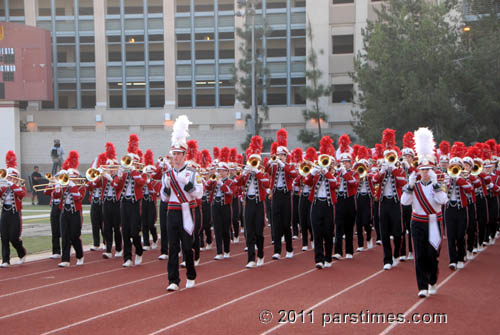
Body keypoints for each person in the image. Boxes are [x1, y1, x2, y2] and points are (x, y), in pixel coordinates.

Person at [401, 127, 448, 298]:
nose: (425, 172)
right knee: (420, 255)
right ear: (419, 171)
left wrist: (436, 186)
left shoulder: (438, 184)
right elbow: (404, 202)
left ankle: (433, 280)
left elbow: (443, 201)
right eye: (423, 169)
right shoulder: (415, 186)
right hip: (417, 222)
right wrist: (410, 186)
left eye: (428, 169)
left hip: (434, 222)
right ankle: (422, 286)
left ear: (432, 170)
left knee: (432, 255)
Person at [164, 115, 203, 291]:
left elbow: (199, 193)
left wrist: (187, 186)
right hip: (172, 211)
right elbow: (164, 198)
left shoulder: (192, 173)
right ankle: (173, 280)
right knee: (172, 247)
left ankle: (191, 274)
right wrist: (165, 189)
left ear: (184, 155)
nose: (177, 157)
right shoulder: (168, 174)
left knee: (187, 246)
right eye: (174, 154)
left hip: (187, 211)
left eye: (179, 154)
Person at [113, 134, 146, 268]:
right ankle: (127, 257)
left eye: (132, 161)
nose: (129, 163)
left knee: (134, 231)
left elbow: (141, 183)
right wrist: (119, 176)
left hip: (135, 203)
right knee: (125, 231)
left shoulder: (140, 172)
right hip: (124, 203)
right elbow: (115, 187)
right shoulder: (124, 172)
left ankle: (139, 250)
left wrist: (133, 171)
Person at [236, 136, 270, 268]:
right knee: (248, 231)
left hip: (259, 204)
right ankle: (251, 258)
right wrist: (244, 172)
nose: (252, 163)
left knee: (258, 232)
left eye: (255, 161)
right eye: (251, 161)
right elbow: (237, 183)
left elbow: (267, 184)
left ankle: (260, 254)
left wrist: (257, 172)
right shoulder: (247, 173)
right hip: (248, 204)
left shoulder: (262, 173)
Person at [54, 150, 86, 267]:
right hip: (64, 212)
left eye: (72, 178)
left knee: (74, 236)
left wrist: (72, 186)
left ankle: (80, 255)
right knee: (65, 236)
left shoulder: (81, 187)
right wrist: (57, 188)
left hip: (75, 213)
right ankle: (65, 259)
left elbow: (78, 198)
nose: (69, 180)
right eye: (69, 178)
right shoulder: (64, 185)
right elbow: (56, 196)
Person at [0, 151, 27, 268]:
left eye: (12, 177)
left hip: (15, 213)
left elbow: (21, 195)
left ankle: (22, 252)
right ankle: (5, 260)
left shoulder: (19, 185)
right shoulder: (4, 185)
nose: (9, 178)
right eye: (8, 176)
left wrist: (12, 184)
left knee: (13, 237)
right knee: (4, 236)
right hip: (5, 212)